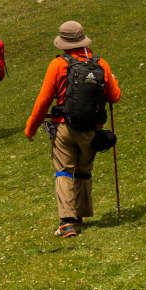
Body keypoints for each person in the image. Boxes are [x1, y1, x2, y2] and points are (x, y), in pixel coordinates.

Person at [24, 20, 121, 239]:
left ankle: (67, 222)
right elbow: (114, 97)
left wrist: (31, 128)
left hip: (64, 128)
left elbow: (43, 100)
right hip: (92, 130)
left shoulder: (57, 65)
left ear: (63, 43)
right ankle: (81, 216)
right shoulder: (101, 64)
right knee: (84, 172)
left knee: (64, 171)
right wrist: (113, 81)